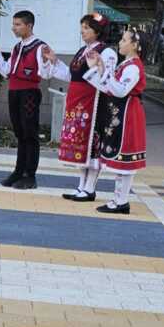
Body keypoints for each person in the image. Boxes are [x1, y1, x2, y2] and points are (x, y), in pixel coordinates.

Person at [40, 13, 117, 202]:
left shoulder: (106, 52)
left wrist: (95, 67)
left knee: (92, 145)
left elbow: (106, 79)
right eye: (82, 27)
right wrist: (54, 60)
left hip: (94, 103)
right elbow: (71, 75)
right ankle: (81, 186)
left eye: (86, 28)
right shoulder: (83, 50)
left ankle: (90, 188)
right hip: (77, 102)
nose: (82, 32)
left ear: (98, 31)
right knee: (79, 145)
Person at [84, 28, 147, 214]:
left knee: (125, 160)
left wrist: (104, 71)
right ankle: (120, 200)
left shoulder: (133, 67)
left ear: (135, 45)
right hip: (121, 114)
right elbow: (108, 88)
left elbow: (120, 90)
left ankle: (121, 201)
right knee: (121, 160)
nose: (120, 42)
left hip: (128, 115)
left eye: (124, 40)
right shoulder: (126, 65)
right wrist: (97, 69)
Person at [0, 10, 45, 189]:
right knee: (20, 133)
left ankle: (30, 175)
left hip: (29, 93)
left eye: (18, 24)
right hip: (14, 91)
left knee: (30, 133)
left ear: (29, 26)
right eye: (13, 24)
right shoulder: (17, 47)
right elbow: (7, 71)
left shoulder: (40, 47)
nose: (14, 28)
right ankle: (19, 171)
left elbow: (44, 71)